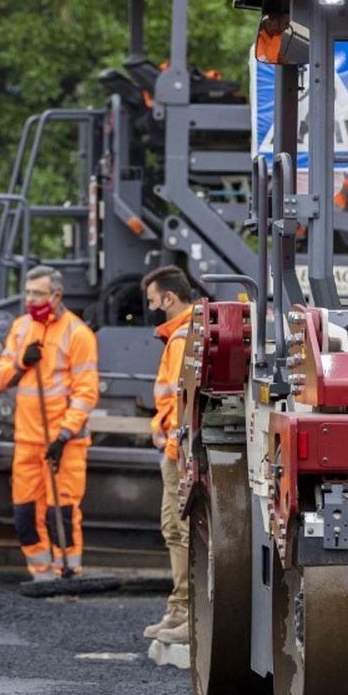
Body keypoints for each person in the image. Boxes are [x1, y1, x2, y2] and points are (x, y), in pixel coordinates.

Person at [0, 267, 99, 580]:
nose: (30, 299)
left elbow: (85, 392)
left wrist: (63, 436)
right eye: (27, 293)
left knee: (60, 512)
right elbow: (0, 379)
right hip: (27, 438)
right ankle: (41, 573)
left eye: (37, 293)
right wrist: (22, 362)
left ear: (56, 295)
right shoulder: (21, 328)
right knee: (24, 512)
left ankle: (69, 570)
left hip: (65, 442)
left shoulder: (78, 334)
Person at [140, 267, 196, 644]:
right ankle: (180, 608)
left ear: (169, 298)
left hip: (178, 452)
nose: (150, 307)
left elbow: (179, 402)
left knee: (180, 530)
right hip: (178, 448)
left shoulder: (180, 337)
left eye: (152, 300)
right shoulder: (187, 332)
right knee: (175, 530)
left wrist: (174, 450)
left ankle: (188, 611)